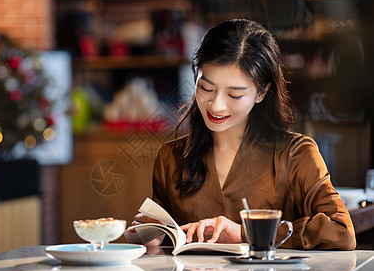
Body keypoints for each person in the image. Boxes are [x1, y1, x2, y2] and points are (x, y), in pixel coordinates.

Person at [132, 19, 356, 250]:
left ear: (261, 92)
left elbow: (341, 232)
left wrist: (245, 232)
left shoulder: (296, 154)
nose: (216, 105)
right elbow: (164, 245)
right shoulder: (171, 157)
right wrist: (152, 236)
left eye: (235, 95)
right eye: (206, 88)